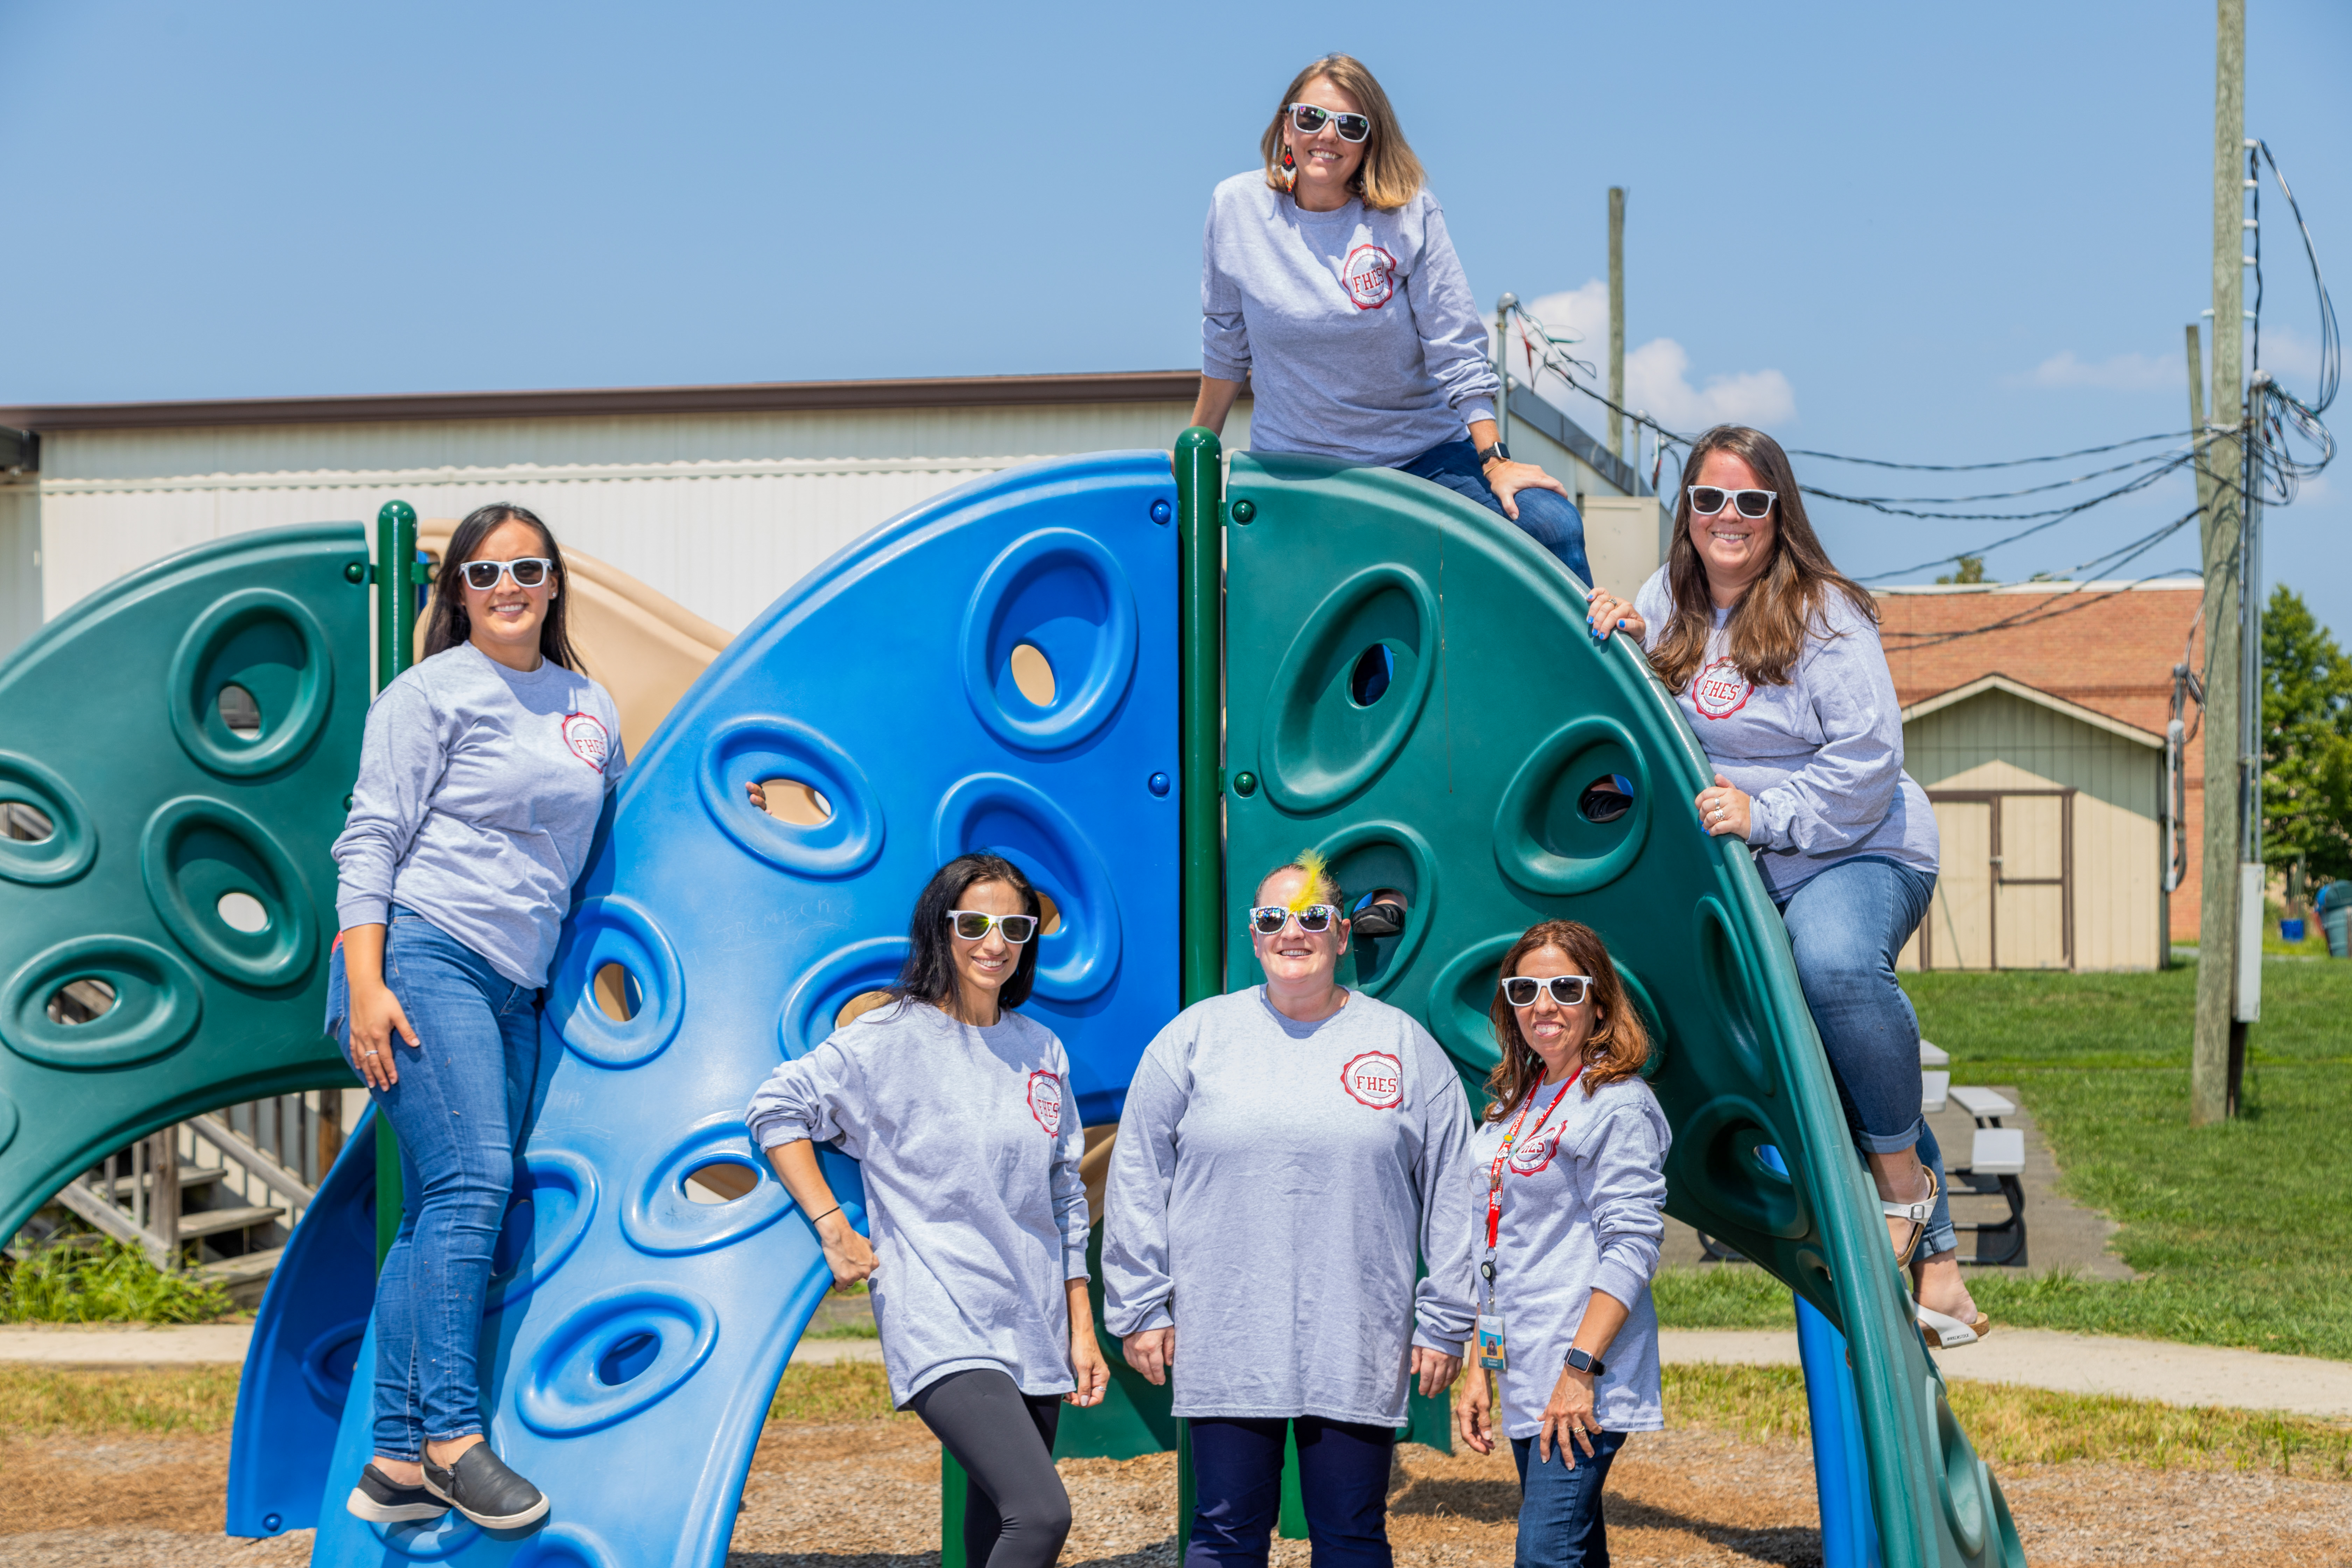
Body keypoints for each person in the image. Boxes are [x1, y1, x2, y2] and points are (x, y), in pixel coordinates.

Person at [1584, 424, 1984, 1348]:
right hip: (1749, 861)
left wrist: (1766, 818)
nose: (1730, 517)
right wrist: (1617, 641)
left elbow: (1869, 761)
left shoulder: (1824, 612)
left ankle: (1902, 1196)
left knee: (1836, 969)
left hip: (1858, 846)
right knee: (1809, 1045)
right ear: (1685, 510)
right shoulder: (1666, 600)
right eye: (1710, 498)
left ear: (1779, 516)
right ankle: (1945, 1273)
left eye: (1751, 502)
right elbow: (1649, 724)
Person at [329, 502, 624, 1529]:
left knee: (442, 1211)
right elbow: (369, 839)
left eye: (528, 570)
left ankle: (395, 1464)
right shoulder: (429, 695)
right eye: (486, 575)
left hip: (519, 981)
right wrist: (367, 983)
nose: (509, 590)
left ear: (553, 585)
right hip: (421, 952)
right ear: (457, 592)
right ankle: (455, 1441)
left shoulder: (591, 705)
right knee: (472, 1184)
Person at [1103, 850, 1476, 1568]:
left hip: (1355, 1332)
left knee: (1352, 1534)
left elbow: (1454, 1184)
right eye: (1274, 917)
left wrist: (1448, 1316)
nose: (1292, 931)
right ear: (1254, 934)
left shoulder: (1401, 1043)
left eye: (1312, 916)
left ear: (1342, 934)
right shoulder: (1194, 1039)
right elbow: (1138, 1175)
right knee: (1223, 1533)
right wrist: (1142, 1305)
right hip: (1228, 1331)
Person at [746, 854, 1108, 1568]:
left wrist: (1081, 1327)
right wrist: (832, 1224)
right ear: (940, 929)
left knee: (995, 1526)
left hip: (1032, 1316)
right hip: (941, 1313)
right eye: (973, 923)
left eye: (1014, 924)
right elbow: (776, 1107)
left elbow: (1065, 1196)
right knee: (1041, 1514)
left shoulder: (1042, 1049)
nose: (994, 941)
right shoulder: (890, 1037)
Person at [1187, 53, 1591, 583]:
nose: (1327, 136)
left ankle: (1572, 664)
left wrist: (1495, 460)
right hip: (1300, 470)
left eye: (1350, 126)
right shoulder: (1237, 209)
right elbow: (1226, 345)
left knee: (1550, 524)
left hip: (1421, 458)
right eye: (1311, 118)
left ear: (1369, 144)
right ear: (1286, 126)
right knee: (1361, 635)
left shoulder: (1407, 214)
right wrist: (1196, 450)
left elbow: (1456, 348)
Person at [1454, 921, 1669, 1568]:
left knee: (1545, 1555)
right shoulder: (1514, 1106)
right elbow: (1494, 1248)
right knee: (1574, 1551)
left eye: (1565, 987)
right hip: (1525, 1368)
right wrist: (1478, 1369)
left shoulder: (1617, 1105)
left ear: (1599, 1002)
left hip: (1579, 1373)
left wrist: (1579, 1374)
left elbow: (1631, 1246)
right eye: (1525, 989)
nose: (1543, 1004)